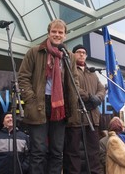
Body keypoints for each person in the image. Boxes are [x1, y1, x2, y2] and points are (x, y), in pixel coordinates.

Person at [18, 19, 79, 174]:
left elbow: (75, 81)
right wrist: (31, 99)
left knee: (57, 152)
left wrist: (72, 100)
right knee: (38, 151)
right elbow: (23, 77)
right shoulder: (35, 51)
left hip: (60, 107)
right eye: (54, 31)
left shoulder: (69, 56)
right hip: (39, 103)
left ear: (65, 36)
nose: (57, 35)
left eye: (60, 32)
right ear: (48, 33)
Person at [63, 44, 106, 174]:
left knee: (93, 152)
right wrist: (89, 97)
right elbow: (72, 87)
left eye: (84, 52)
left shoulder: (92, 72)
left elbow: (102, 89)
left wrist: (97, 98)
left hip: (92, 118)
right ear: (73, 54)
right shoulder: (69, 69)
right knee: (73, 153)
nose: (82, 54)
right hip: (75, 118)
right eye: (79, 52)